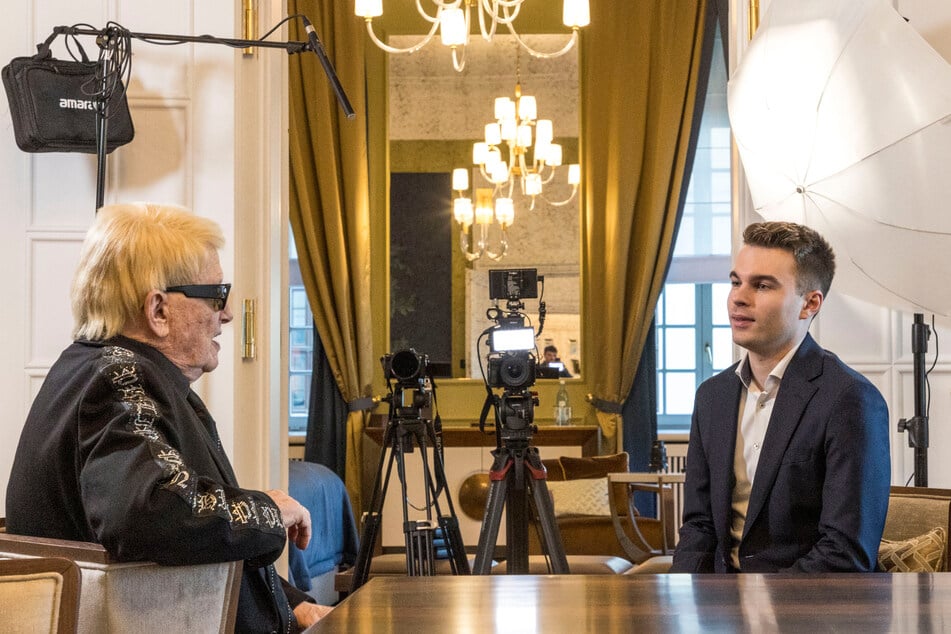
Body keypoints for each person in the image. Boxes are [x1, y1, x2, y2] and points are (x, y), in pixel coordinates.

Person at [5, 203, 331, 631]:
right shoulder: (118, 377)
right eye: (217, 294)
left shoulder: (115, 371)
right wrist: (269, 510)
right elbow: (152, 511)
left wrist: (293, 605)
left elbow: (191, 540)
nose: (228, 313)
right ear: (158, 311)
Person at [670, 221, 890, 573]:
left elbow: (845, 552)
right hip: (720, 610)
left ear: (810, 304)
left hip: (814, 614)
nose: (739, 297)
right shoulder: (712, 397)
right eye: (735, 282)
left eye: (762, 285)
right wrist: (681, 606)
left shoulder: (851, 400)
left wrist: (757, 611)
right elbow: (699, 529)